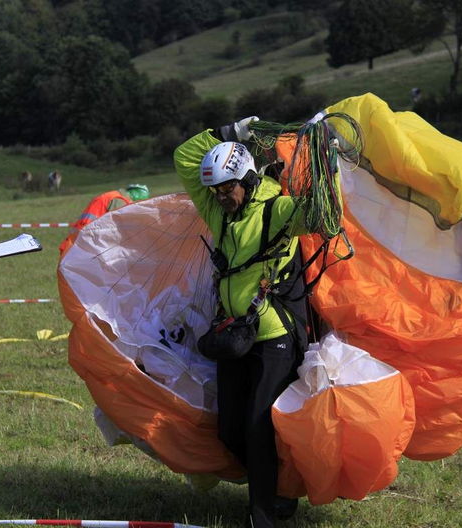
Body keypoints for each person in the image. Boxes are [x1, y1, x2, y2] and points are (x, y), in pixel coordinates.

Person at [174, 117, 314, 528]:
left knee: (257, 425)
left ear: (248, 180)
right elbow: (183, 156)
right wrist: (228, 133)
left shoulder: (280, 209)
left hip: (274, 336)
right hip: (233, 334)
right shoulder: (222, 214)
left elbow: (322, 213)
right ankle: (280, 488)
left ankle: (263, 516)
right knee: (230, 432)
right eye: (215, 191)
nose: (221, 197)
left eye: (228, 188)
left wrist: (322, 162)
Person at [58, 184, 150, 256]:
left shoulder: (112, 196)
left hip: (78, 244)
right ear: (136, 197)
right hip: (83, 245)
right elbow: (117, 228)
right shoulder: (119, 200)